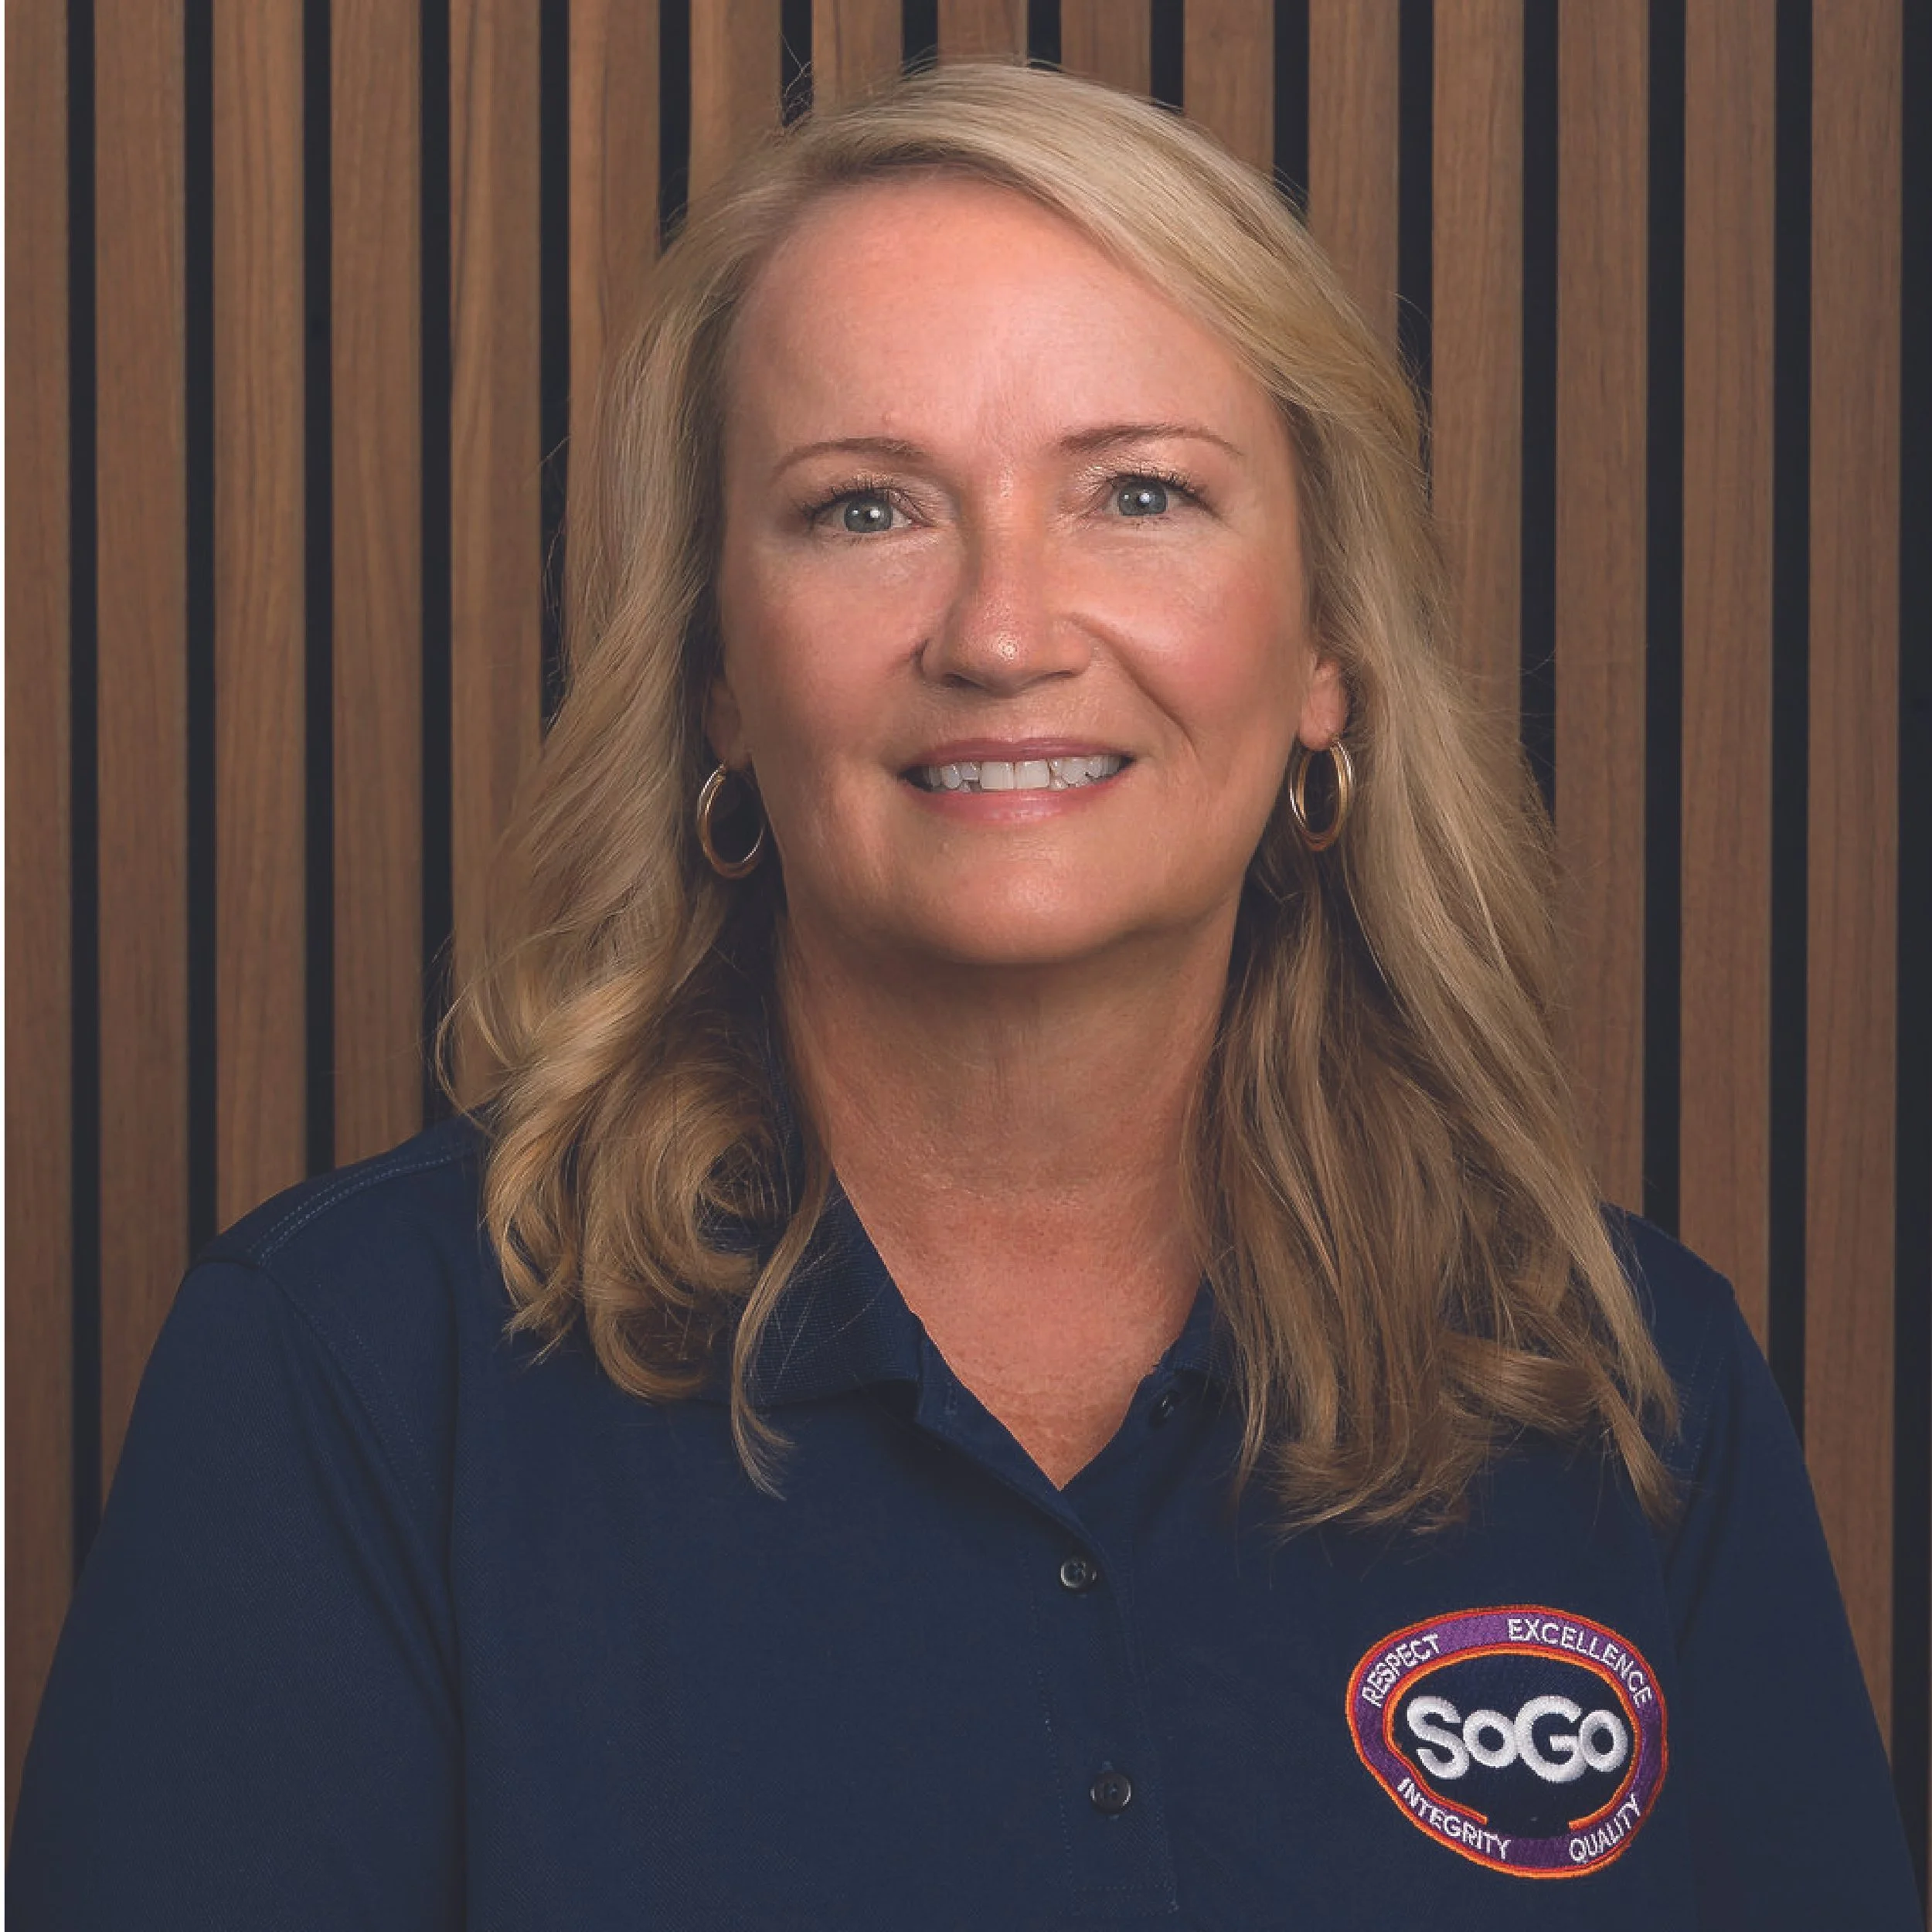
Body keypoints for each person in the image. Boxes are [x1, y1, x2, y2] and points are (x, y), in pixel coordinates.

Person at [11, 61, 1919, 1930]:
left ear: (1327, 644)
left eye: (1141, 494)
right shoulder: (351, 1379)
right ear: (712, 675)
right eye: (865, 509)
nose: (1002, 633)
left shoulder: (1621, 1383)